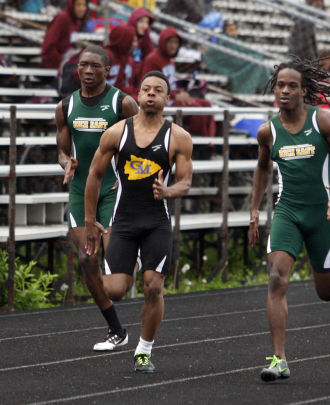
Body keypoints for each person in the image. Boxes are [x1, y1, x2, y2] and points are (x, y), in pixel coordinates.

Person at [249, 57, 330, 382]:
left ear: (304, 90)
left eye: (292, 86)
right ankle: (278, 358)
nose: (285, 90)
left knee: (327, 293)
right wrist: (254, 208)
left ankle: (322, 270)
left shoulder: (323, 121)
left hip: (321, 214)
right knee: (276, 278)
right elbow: (263, 167)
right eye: (280, 85)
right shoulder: (267, 131)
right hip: (287, 211)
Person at [84, 71, 193, 373]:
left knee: (153, 288)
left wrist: (168, 190)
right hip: (124, 220)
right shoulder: (116, 133)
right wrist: (91, 220)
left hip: (157, 221)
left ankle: (143, 351)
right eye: (146, 89)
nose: (151, 94)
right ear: (139, 93)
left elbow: (185, 182)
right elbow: (94, 175)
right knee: (115, 289)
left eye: (158, 90)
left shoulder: (179, 137)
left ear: (167, 98)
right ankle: (128, 265)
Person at [55, 45, 139, 351]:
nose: (88, 71)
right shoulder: (66, 106)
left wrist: (131, 176)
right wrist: (67, 163)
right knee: (87, 259)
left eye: (94, 66)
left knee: (115, 276)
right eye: (83, 66)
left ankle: (133, 257)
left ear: (107, 70)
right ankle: (116, 330)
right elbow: (62, 150)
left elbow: (146, 142)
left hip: (114, 190)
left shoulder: (123, 103)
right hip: (81, 191)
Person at [142, 26, 216, 137]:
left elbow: (171, 83)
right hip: (163, 101)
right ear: (163, 42)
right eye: (170, 42)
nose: (173, 45)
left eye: (176, 42)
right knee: (196, 109)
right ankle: (196, 145)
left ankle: (210, 144)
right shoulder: (153, 59)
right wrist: (175, 94)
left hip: (172, 96)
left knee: (207, 104)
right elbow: (150, 86)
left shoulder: (170, 61)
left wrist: (180, 92)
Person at [203, 20, 271, 94]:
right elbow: (214, 54)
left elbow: (245, 50)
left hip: (241, 61)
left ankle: (266, 87)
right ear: (225, 30)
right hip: (229, 64)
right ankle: (265, 88)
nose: (234, 32)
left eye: (235, 29)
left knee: (258, 61)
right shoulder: (222, 39)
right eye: (231, 30)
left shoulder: (235, 40)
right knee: (257, 61)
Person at [41, 0, 89, 69]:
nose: (82, 9)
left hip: (68, 62)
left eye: (84, 5)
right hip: (58, 63)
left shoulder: (75, 21)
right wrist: (61, 61)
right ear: (72, 5)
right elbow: (49, 45)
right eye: (78, 5)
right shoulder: (63, 18)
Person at [104, 24, 139, 100]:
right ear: (123, 40)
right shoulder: (106, 56)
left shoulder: (128, 59)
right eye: (131, 41)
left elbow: (124, 86)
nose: (136, 45)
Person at [126, 7, 155, 83]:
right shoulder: (124, 37)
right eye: (141, 21)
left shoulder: (146, 39)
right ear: (134, 21)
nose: (145, 26)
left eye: (147, 22)